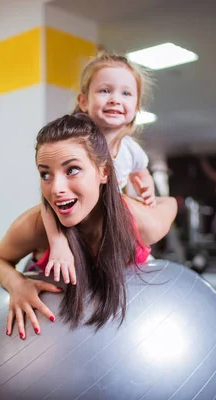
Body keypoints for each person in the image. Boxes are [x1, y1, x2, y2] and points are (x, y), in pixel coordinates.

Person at [0, 114, 177, 339]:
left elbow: (170, 203)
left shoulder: (142, 223)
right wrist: (17, 283)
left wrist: (148, 198)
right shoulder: (36, 224)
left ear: (104, 172)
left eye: (72, 170)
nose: (56, 188)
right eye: (45, 174)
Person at [40, 51, 159, 286]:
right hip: (74, 225)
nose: (115, 99)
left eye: (126, 93)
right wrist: (58, 243)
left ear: (136, 107)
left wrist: (147, 188)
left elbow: (141, 171)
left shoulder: (130, 149)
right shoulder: (75, 145)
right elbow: (47, 204)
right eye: (105, 91)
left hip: (108, 225)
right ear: (83, 101)